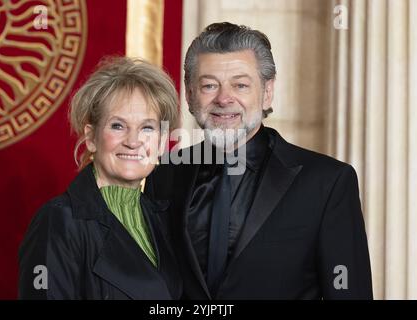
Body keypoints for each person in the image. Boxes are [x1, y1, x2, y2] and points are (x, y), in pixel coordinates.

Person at [145, 22, 373, 299]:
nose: (224, 98)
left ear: (266, 93)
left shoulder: (327, 182)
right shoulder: (165, 174)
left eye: (240, 85)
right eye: (209, 85)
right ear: (191, 95)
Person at [18, 56, 182, 299]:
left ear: (161, 142)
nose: (133, 141)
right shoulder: (58, 221)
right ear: (91, 137)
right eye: (118, 126)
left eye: (147, 128)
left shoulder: (165, 219)